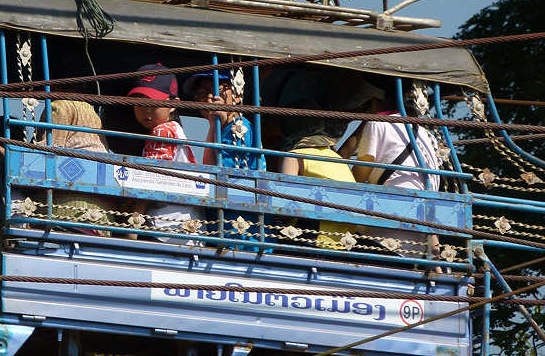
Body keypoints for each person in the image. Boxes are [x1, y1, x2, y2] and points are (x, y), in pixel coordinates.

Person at [341, 89, 441, 257]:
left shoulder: (378, 124)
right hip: (418, 243)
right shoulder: (428, 136)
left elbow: (355, 179)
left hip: (382, 237)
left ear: (375, 102)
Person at [127, 64, 204, 244]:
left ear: (173, 105)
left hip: (166, 227)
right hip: (186, 226)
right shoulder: (175, 130)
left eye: (153, 102)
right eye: (139, 101)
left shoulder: (163, 131)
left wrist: (131, 230)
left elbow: (146, 183)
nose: (145, 109)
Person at [279, 104, 356, 249]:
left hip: (313, 238)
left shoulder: (294, 156)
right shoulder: (339, 160)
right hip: (345, 243)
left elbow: (285, 206)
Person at [36, 98, 115, 236]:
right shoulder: (91, 112)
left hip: (65, 212)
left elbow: (45, 156)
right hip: (104, 220)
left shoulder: (60, 106)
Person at [183, 70, 265, 170]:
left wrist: (214, 125)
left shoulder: (238, 128)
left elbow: (212, 172)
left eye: (218, 90)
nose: (209, 99)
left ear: (237, 95)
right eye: (201, 93)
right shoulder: (225, 128)